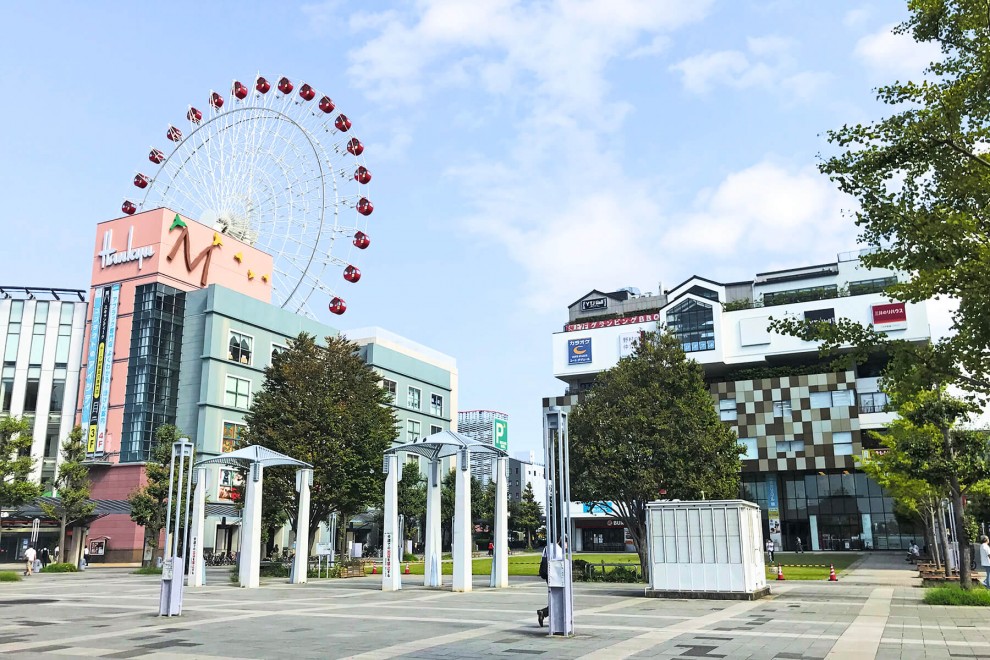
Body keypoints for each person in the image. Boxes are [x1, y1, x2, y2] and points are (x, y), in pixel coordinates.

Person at [537, 538, 563, 628]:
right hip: (556, 575)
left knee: (554, 596)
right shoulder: (558, 549)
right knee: (559, 598)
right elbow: (561, 562)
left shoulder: (546, 547)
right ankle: (545, 613)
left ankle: (545, 613)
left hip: (547, 573)